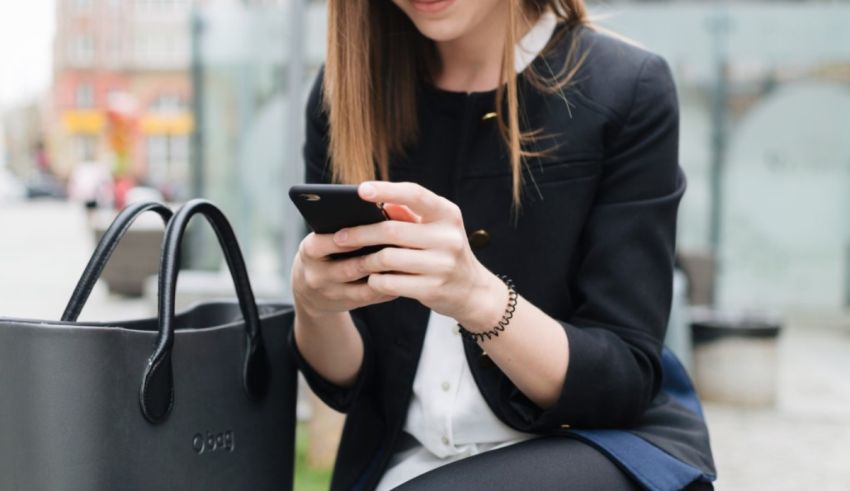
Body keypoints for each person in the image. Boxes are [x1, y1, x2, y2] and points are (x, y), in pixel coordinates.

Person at [289, 0, 716, 489]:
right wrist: (314, 304)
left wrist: (476, 297)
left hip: (587, 447)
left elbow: (622, 381)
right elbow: (350, 385)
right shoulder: (345, 94)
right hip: (404, 465)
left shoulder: (626, 87)